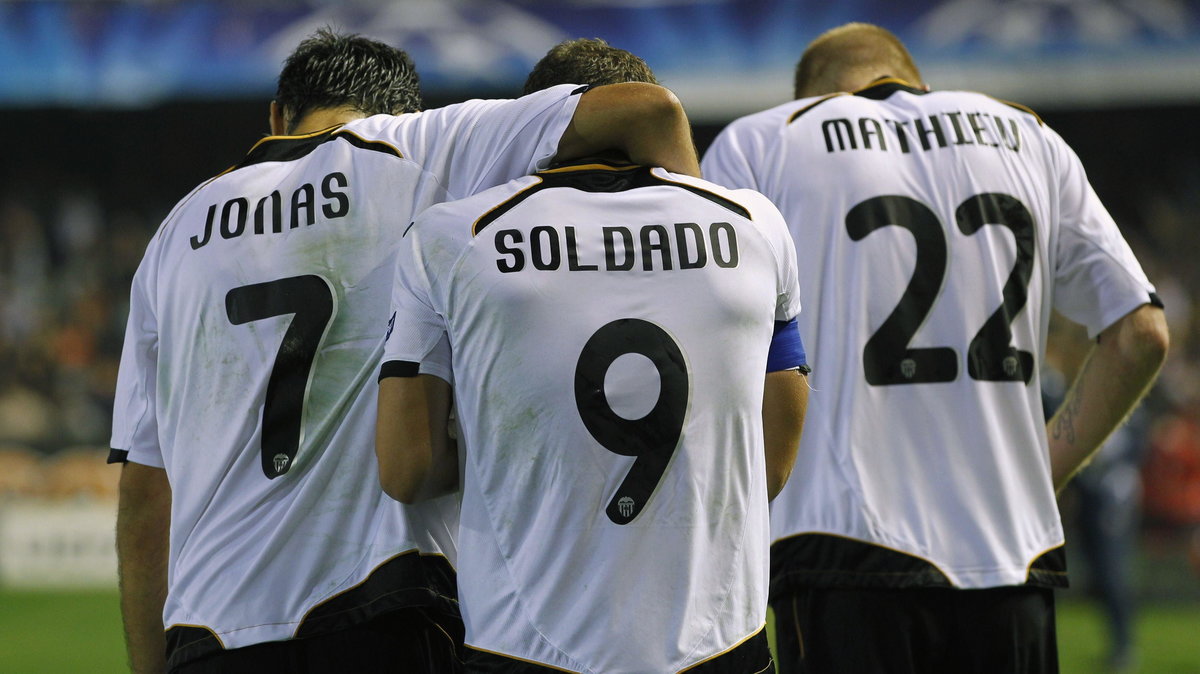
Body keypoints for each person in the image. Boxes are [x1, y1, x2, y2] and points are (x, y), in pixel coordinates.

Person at [110, 28, 701, 674]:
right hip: (381, 610)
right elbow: (648, 110)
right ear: (403, 111)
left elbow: (144, 503)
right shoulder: (422, 146)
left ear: (278, 118)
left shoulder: (175, 233)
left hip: (211, 633)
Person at [702, 22, 1169, 674]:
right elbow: (1140, 332)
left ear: (811, 92)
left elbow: (713, 341)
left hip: (842, 546)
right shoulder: (1028, 136)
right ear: (912, 77)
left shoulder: (764, 140)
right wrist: (1044, 466)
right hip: (1012, 555)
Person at [374, 44, 809, 672]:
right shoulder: (755, 224)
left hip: (525, 648)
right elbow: (766, 463)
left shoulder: (451, 237)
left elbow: (405, 470)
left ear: (541, 118)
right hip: (718, 644)